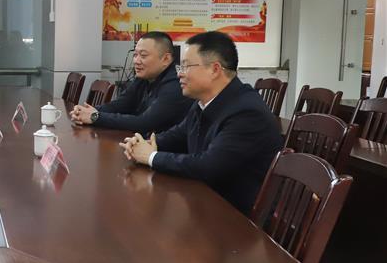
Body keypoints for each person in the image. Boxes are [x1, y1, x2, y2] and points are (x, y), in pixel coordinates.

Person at [120, 31, 283, 215]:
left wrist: (151, 157)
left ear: (215, 69)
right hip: (208, 202)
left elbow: (208, 166)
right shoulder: (204, 102)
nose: (179, 74)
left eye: (186, 66)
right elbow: (178, 135)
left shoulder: (246, 112)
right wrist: (143, 144)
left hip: (237, 217)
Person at [70, 31, 191, 133]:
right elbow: (121, 104)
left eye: (143, 56)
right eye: (135, 55)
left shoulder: (176, 85)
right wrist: (87, 112)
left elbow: (144, 123)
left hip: (163, 149)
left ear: (166, 59)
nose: (136, 61)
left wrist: (95, 117)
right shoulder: (144, 76)